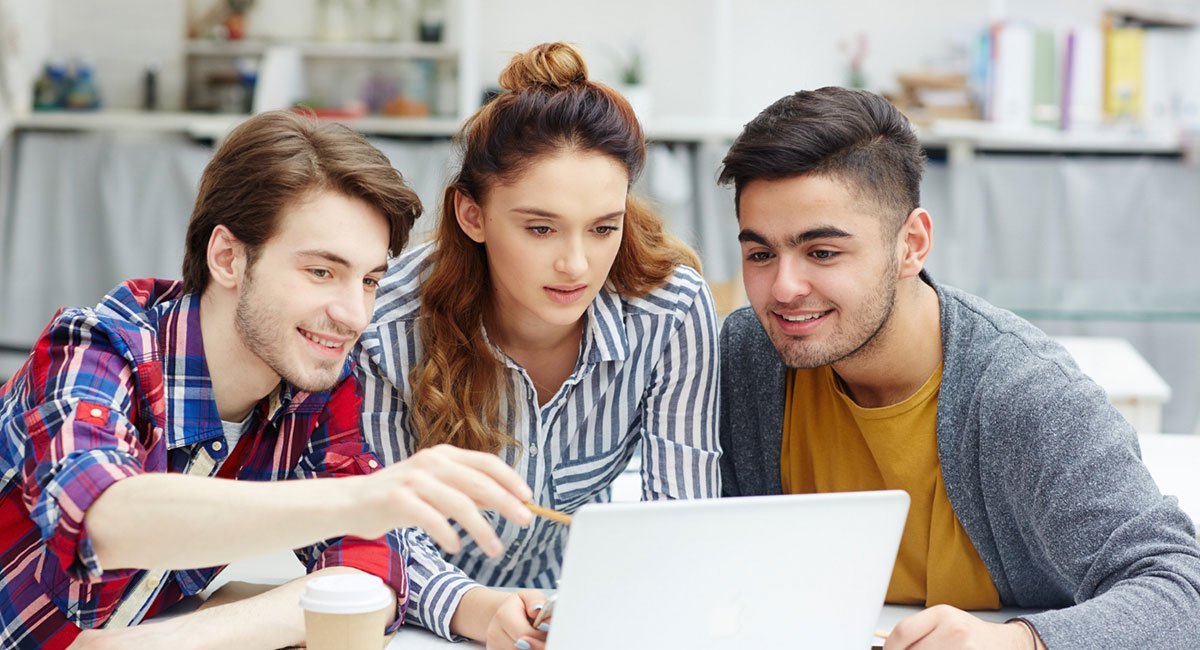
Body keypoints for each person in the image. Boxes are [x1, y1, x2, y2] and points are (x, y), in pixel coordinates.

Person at [0, 110, 535, 650]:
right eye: (321, 271)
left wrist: (153, 643)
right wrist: (365, 497)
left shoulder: (313, 390)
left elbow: (371, 573)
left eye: (369, 280)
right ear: (228, 258)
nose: (354, 315)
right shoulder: (94, 347)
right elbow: (104, 520)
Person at [716, 86, 1200, 649]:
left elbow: (1180, 592)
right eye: (760, 254)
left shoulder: (1026, 395)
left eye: (823, 252)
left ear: (912, 244)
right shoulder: (750, 355)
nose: (784, 288)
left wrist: (1014, 643)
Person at [358, 42, 721, 650]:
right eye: (540, 228)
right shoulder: (387, 319)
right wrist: (474, 608)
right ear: (472, 215)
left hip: (576, 617)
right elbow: (375, 528)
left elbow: (681, 519)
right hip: (419, 623)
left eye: (604, 228)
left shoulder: (670, 309)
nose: (576, 263)